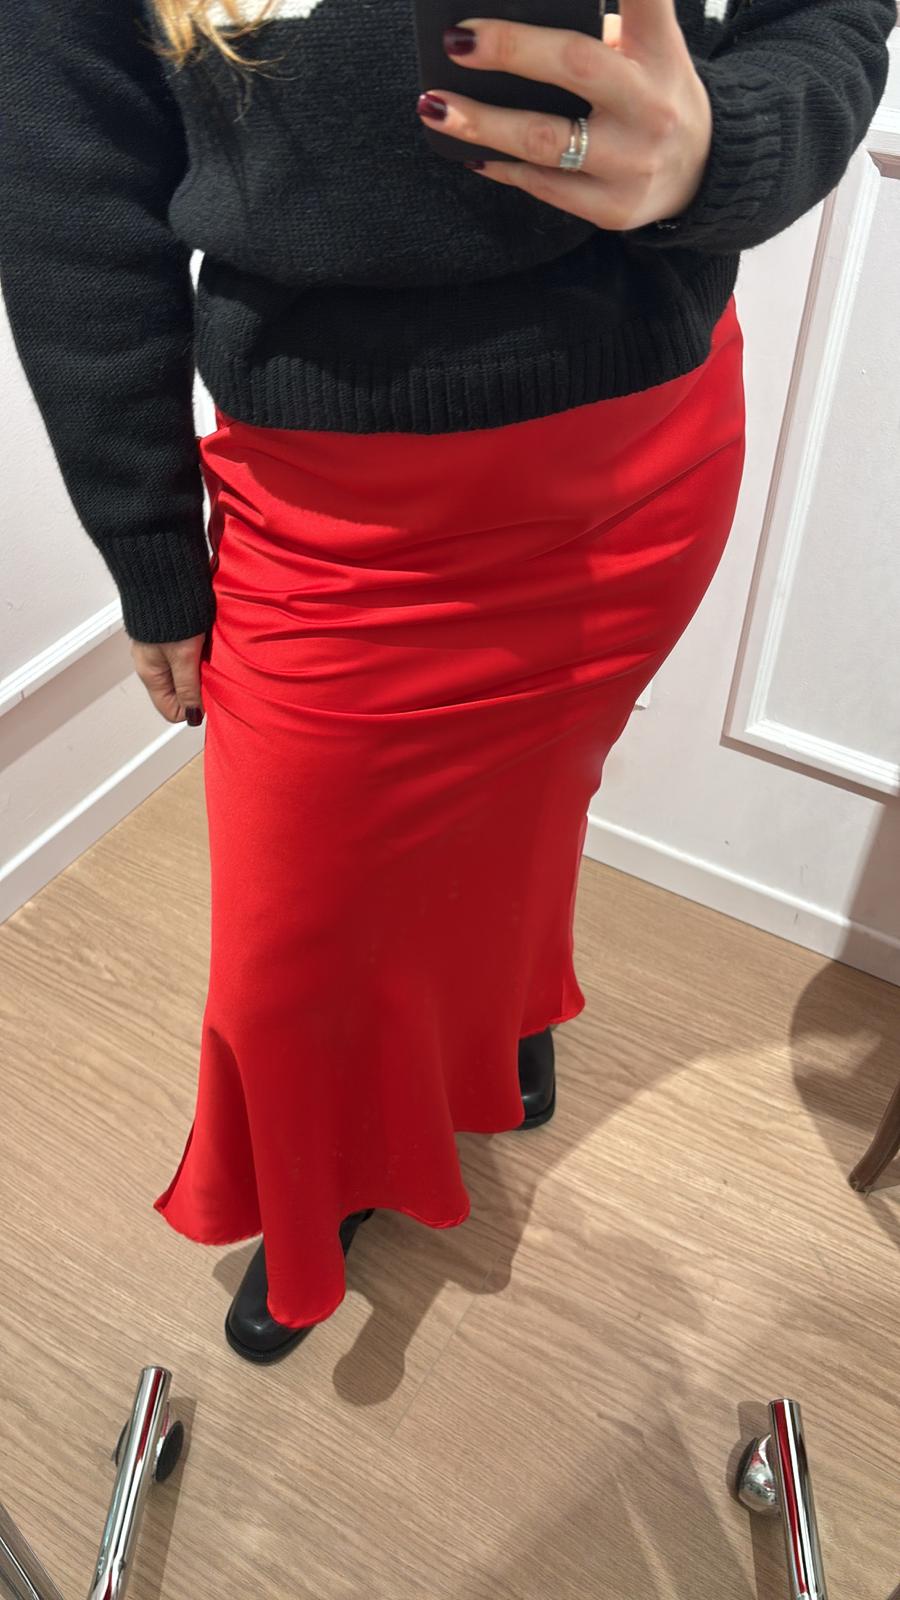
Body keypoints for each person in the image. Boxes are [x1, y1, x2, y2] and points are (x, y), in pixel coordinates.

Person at [1, 0, 893, 1365]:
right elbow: (71, 184)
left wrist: (732, 147)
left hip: (638, 466)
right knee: (292, 956)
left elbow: (825, 17)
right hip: (332, 514)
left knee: (538, 801)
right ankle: (331, 1181)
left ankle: (503, 1022)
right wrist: (150, 545)